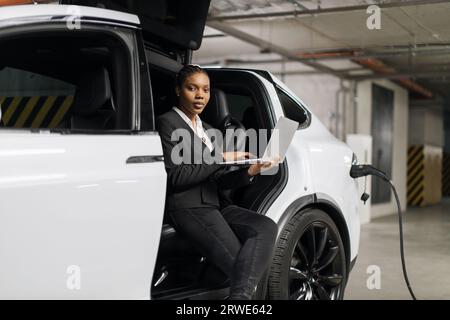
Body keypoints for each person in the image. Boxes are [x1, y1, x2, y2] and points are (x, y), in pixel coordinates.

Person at [156, 64, 278, 300]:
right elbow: (175, 177)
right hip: (188, 206)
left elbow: (219, 181)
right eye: (192, 88)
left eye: (205, 90)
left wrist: (251, 171)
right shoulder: (167, 122)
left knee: (265, 227)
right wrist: (220, 157)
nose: (200, 95)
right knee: (241, 268)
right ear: (179, 91)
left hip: (217, 204)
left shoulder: (209, 130)